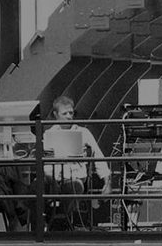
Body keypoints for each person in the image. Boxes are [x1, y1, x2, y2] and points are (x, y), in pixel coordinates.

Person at [43, 95, 111, 226]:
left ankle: (59, 222)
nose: (69, 116)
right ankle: (37, 227)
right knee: (34, 188)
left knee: (75, 187)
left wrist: (107, 182)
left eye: (71, 113)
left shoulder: (84, 132)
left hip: (74, 178)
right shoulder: (48, 134)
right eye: (65, 113)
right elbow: (45, 161)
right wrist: (50, 178)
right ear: (55, 114)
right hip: (52, 179)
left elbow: (98, 156)